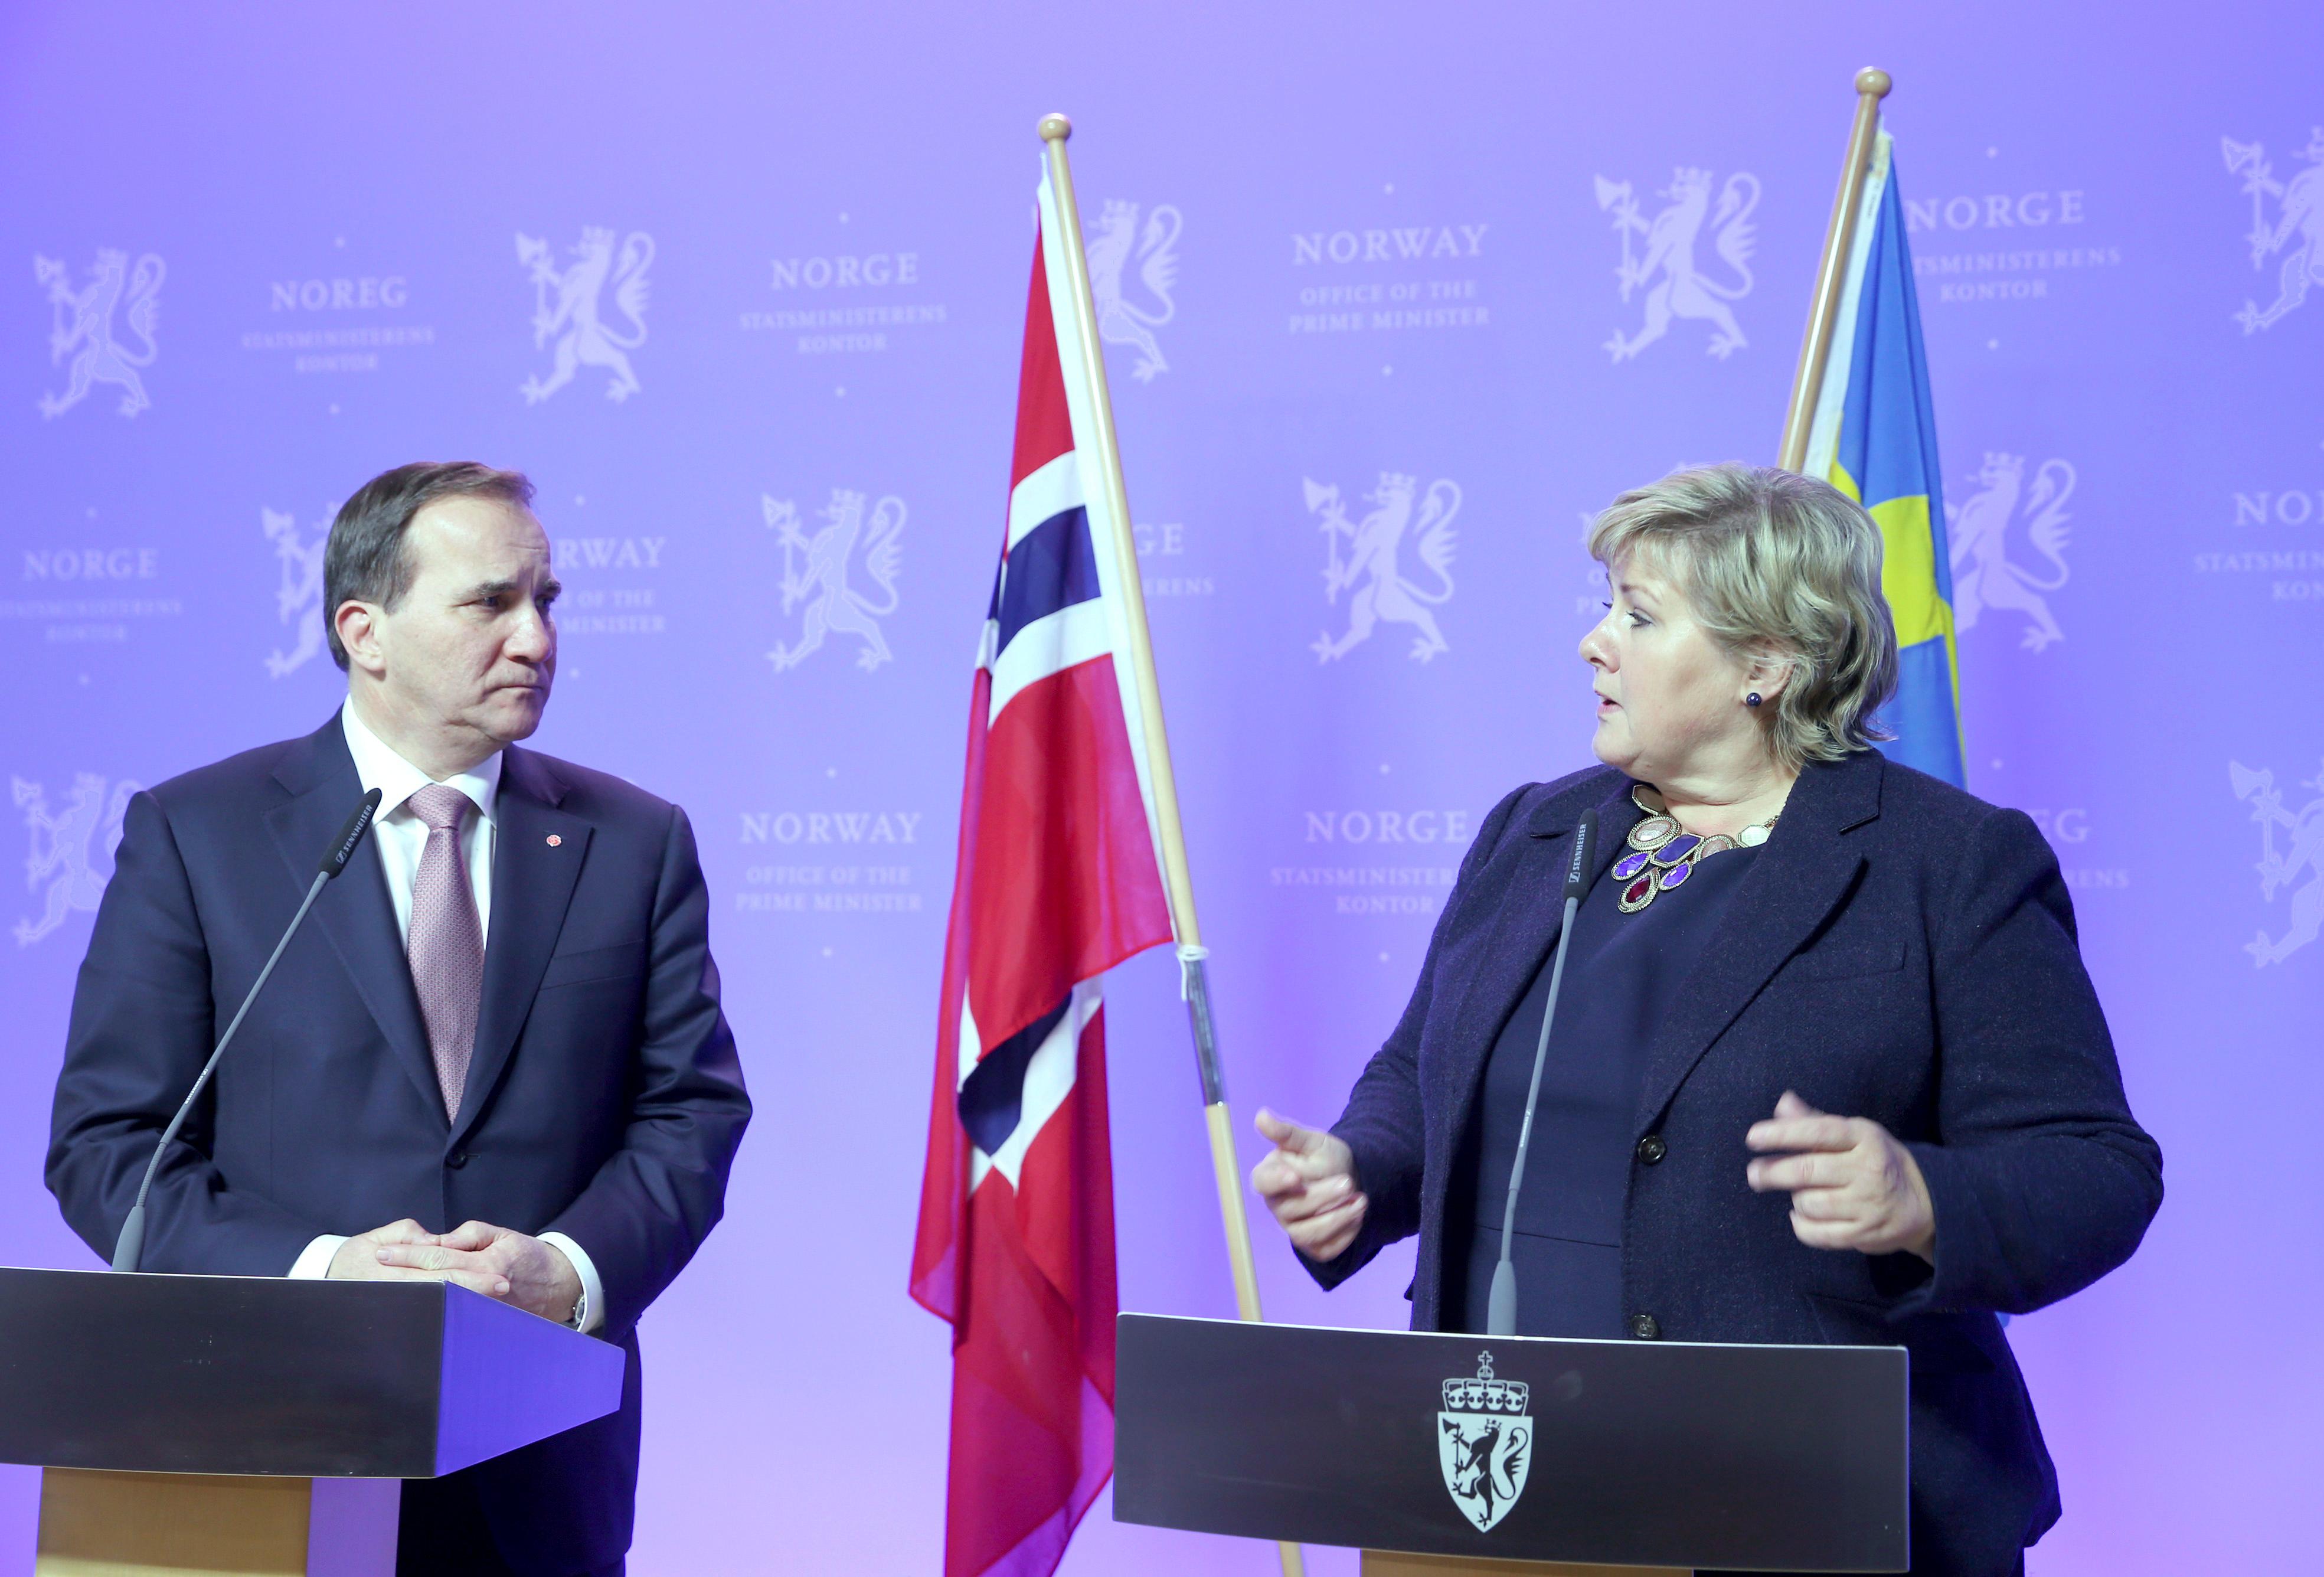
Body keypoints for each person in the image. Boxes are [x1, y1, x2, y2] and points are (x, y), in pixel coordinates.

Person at [1250, 463, 2160, 1577]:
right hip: (1496, 1492)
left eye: (1637, 615)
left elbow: (2094, 1169)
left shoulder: (1947, 864)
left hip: (1809, 1509)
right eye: (1604, 608)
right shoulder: (1535, 834)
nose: (1595, 643)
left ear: (1764, 666)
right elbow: (1418, 1073)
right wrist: (1360, 1168)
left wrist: (1925, 1199)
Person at [48, 462, 752, 1577]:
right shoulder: (202, 834)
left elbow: (689, 1118)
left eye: (546, 602)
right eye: (489, 603)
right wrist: (326, 1271)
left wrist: (565, 1272)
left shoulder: (635, 841)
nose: (535, 639)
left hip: (539, 1466)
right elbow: (111, 1151)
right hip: (268, 1451)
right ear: (365, 632)